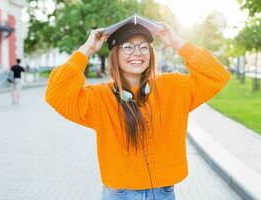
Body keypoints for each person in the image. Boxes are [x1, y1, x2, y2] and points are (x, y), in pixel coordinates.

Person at [45, 15, 231, 200]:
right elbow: (56, 94)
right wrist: (86, 50)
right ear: (114, 54)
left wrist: (177, 43)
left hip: (163, 194)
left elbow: (217, 76)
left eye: (144, 47)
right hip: (119, 195)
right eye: (128, 47)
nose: (137, 53)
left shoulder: (172, 87)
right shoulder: (100, 97)